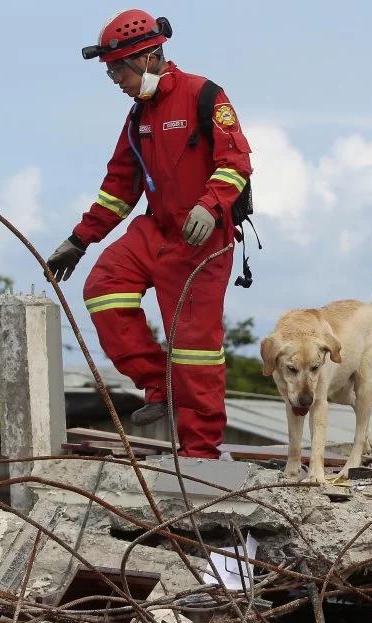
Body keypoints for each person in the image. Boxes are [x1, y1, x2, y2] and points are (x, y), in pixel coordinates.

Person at [45, 9, 253, 458]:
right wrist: (80, 239)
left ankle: (201, 452)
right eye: (110, 72)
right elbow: (120, 187)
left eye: (118, 69)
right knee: (103, 288)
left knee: (195, 349)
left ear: (149, 56)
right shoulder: (137, 115)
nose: (115, 79)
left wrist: (211, 205)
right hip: (155, 230)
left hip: (202, 241)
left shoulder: (205, 94)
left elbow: (236, 163)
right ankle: (157, 385)